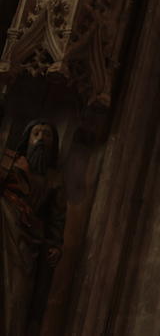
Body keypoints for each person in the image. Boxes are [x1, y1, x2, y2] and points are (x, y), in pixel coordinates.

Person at [1, 119, 66, 334]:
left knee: (16, 296)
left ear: (53, 143)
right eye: (36, 134)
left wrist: (56, 244)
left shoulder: (55, 180)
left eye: (47, 135)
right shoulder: (11, 164)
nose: (41, 139)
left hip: (27, 245)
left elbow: (57, 217)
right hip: (4, 228)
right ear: (27, 139)